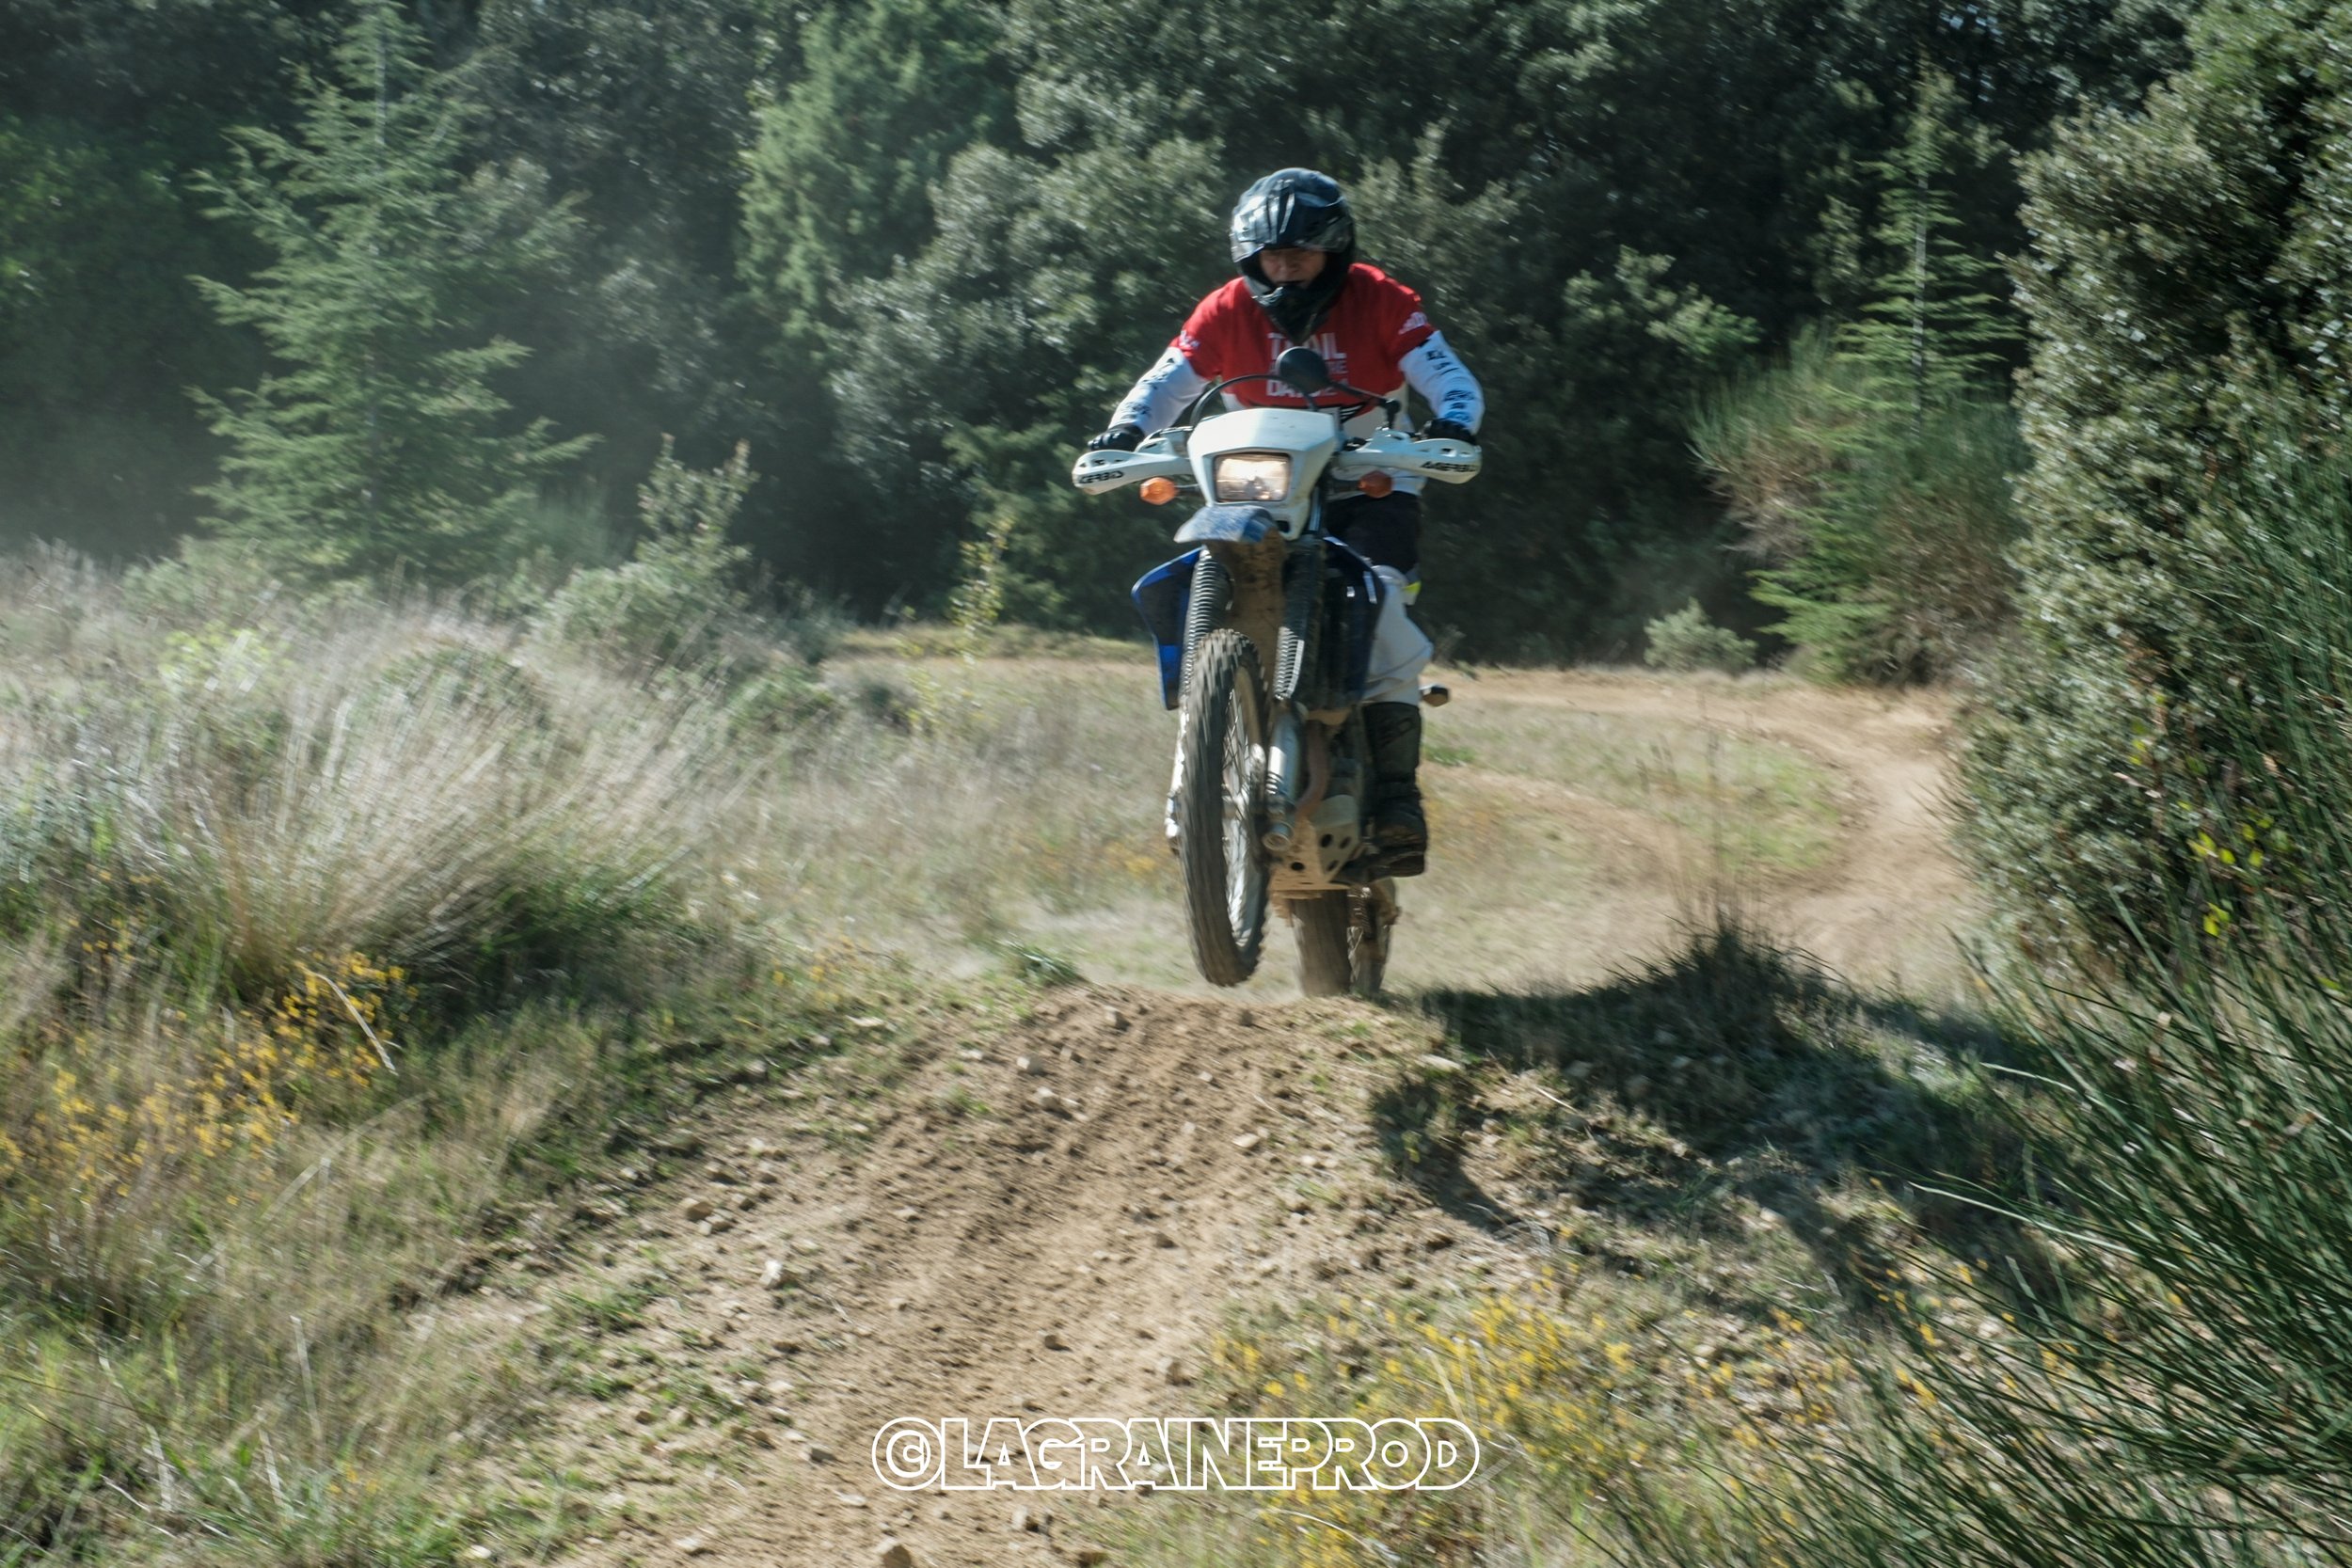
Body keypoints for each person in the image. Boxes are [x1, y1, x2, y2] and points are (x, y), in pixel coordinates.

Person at [1087, 167, 1484, 875]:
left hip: (1371, 478)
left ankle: (1397, 796)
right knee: (1202, 570)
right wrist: (1124, 430)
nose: (1286, 266)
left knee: (1381, 595)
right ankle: (1201, 767)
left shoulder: (1382, 299)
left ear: (1335, 250)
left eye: (1301, 253)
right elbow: (1164, 383)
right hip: (1258, 483)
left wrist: (1454, 418)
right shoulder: (1225, 308)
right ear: (1250, 258)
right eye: (1272, 255)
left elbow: (1448, 375)